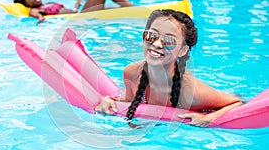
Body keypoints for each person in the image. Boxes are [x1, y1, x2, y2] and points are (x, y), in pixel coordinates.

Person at [95, 9, 243, 127]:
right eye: (151, 36)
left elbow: (236, 103)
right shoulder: (132, 73)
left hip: (218, 100)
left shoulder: (191, 91)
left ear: (183, 50)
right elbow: (129, 102)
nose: (157, 44)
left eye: (169, 40)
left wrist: (210, 117)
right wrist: (109, 102)